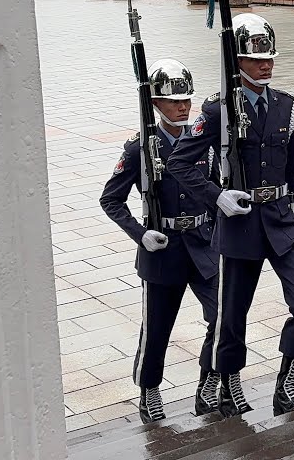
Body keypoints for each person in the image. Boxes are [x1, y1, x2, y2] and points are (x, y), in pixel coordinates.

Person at [164, 13, 294, 417]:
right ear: (237, 61)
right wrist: (217, 197)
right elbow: (179, 164)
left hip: (281, 221)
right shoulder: (217, 110)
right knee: (231, 317)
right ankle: (224, 382)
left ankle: (287, 383)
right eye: (256, 59)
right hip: (240, 223)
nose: (266, 65)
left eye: (270, 57)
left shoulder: (287, 106)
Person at [99, 59, 221, 422]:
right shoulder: (140, 148)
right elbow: (111, 199)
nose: (182, 107)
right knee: (156, 331)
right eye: (173, 101)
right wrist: (140, 233)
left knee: (223, 319)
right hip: (163, 248)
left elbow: (216, 189)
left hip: (202, 245)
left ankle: (209, 381)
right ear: (155, 103)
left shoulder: (204, 141)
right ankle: (149, 390)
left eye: (186, 100)